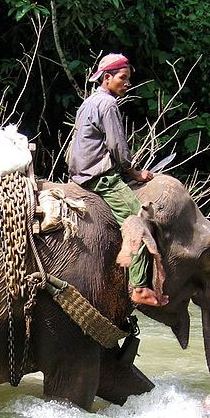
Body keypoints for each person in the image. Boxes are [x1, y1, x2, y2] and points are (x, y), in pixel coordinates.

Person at [69, 53, 168, 307]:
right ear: (107, 78)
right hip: (99, 176)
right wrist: (134, 172)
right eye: (123, 78)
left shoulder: (89, 102)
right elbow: (117, 146)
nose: (127, 83)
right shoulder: (108, 105)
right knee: (139, 221)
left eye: (128, 79)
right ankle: (139, 286)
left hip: (80, 171)